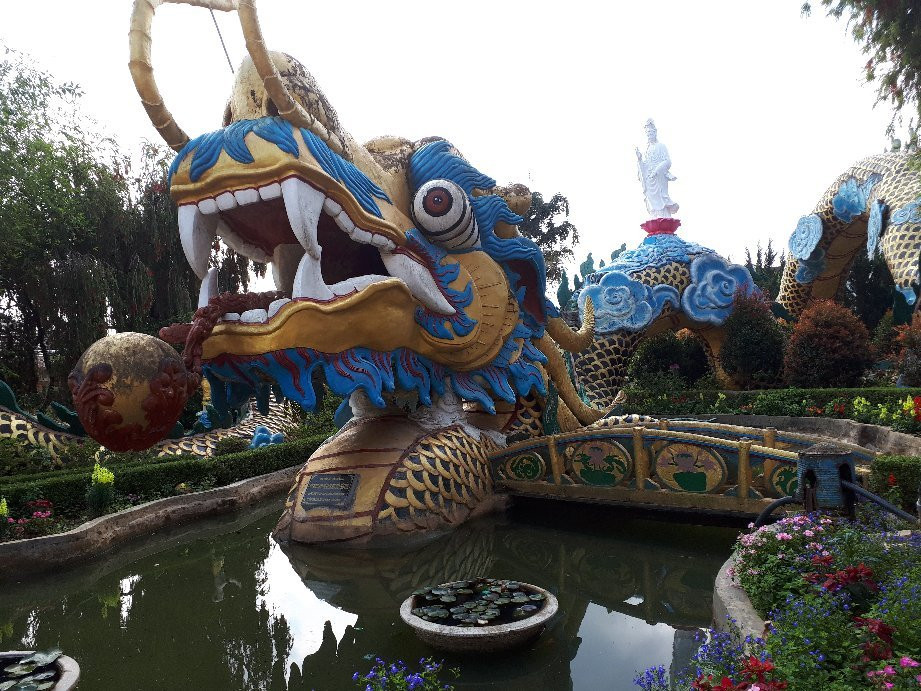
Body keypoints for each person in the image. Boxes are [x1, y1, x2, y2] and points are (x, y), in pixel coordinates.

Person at [636, 119, 679, 219]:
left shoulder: (661, 146)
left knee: (661, 197)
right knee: (651, 199)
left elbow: (667, 161)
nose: (649, 135)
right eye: (648, 133)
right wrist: (639, 159)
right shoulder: (647, 149)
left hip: (659, 176)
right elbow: (645, 166)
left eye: (651, 132)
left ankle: (664, 216)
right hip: (650, 178)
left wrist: (657, 170)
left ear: (655, 132)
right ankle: (656, 216)